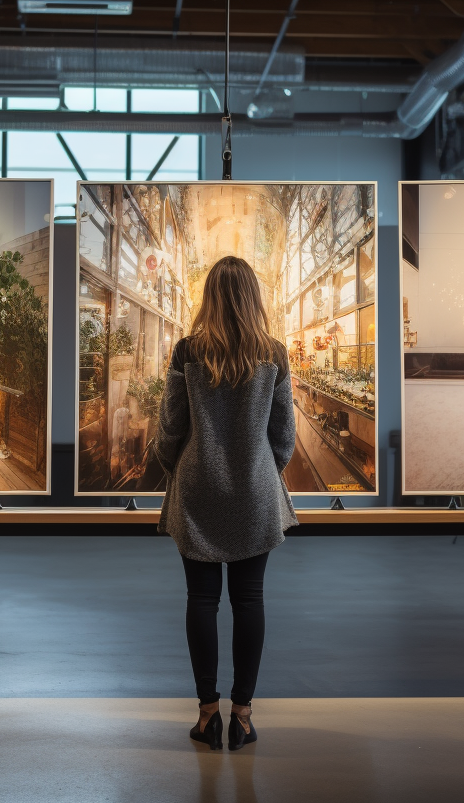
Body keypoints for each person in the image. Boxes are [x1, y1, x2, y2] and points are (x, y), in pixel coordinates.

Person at [154, 255, 298, 752]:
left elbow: (170, 429)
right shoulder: (274, 354)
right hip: (254, 491)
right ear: (253, 297)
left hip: (198, 491)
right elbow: (284, 437)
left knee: (201, 600)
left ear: (210, 296)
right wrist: (259, 470)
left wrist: (179, 466)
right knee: (250, 599)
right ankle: (242, 716)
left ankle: (206, 716)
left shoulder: (187, 352)